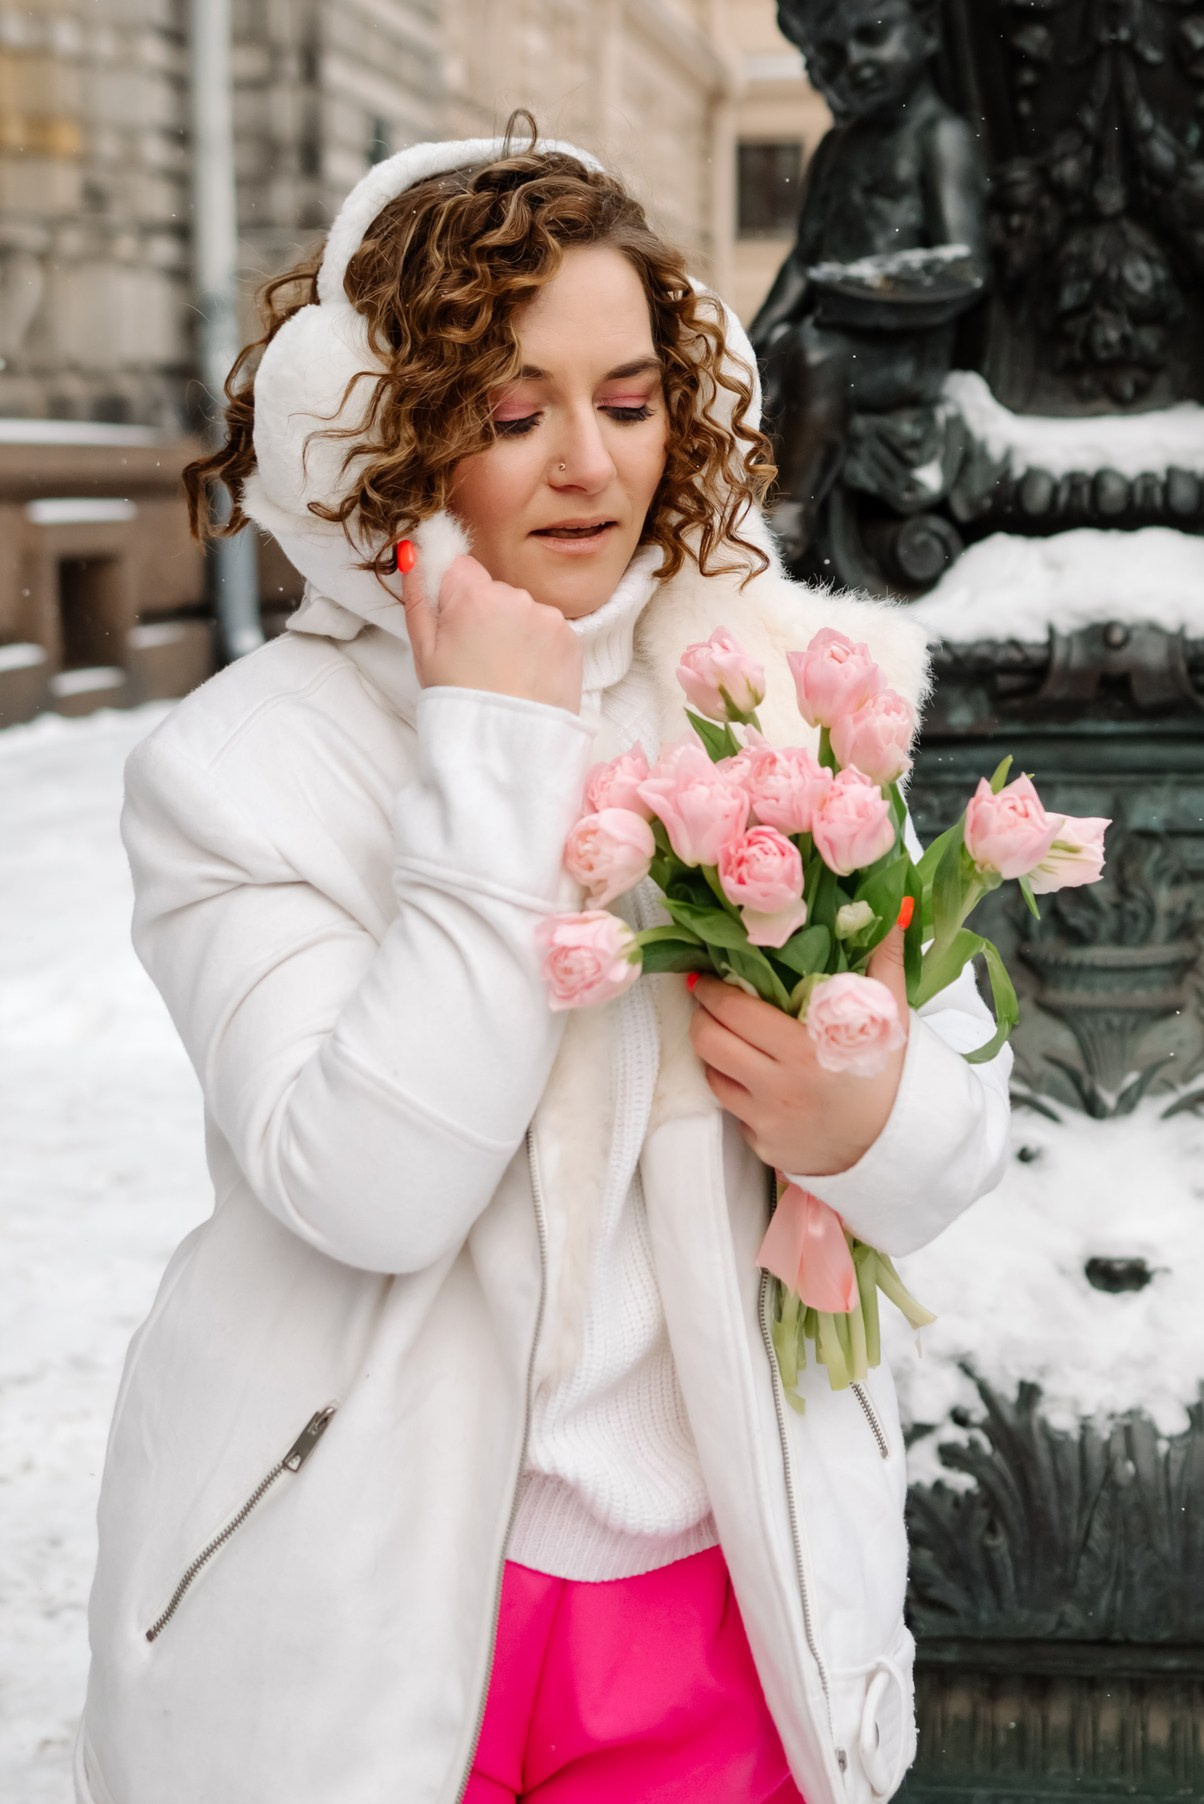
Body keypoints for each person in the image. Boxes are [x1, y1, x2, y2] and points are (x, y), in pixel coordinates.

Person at [76, 119, 1010, 1804]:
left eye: (632, 400)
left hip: (717, 1602)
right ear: (390, 433)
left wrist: (856, 1116)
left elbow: (956, 1129)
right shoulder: (240, 771)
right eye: (510, 414)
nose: (588, 461)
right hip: (346, 1602)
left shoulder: (768, 694)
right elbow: (369, 1186)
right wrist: (497, 744)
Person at [749, 0, 988, 561]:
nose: (854, 62)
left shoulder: (938, 136)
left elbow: (964, 266)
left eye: (872, 35)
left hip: (905, 352)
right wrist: (751, 338)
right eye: (833, 52)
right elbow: (805, 259)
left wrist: (869, 294)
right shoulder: (836, 148)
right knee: (770, 364)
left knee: (814, 357)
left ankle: (789, 518)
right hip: (831, 333)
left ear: (926, 30)